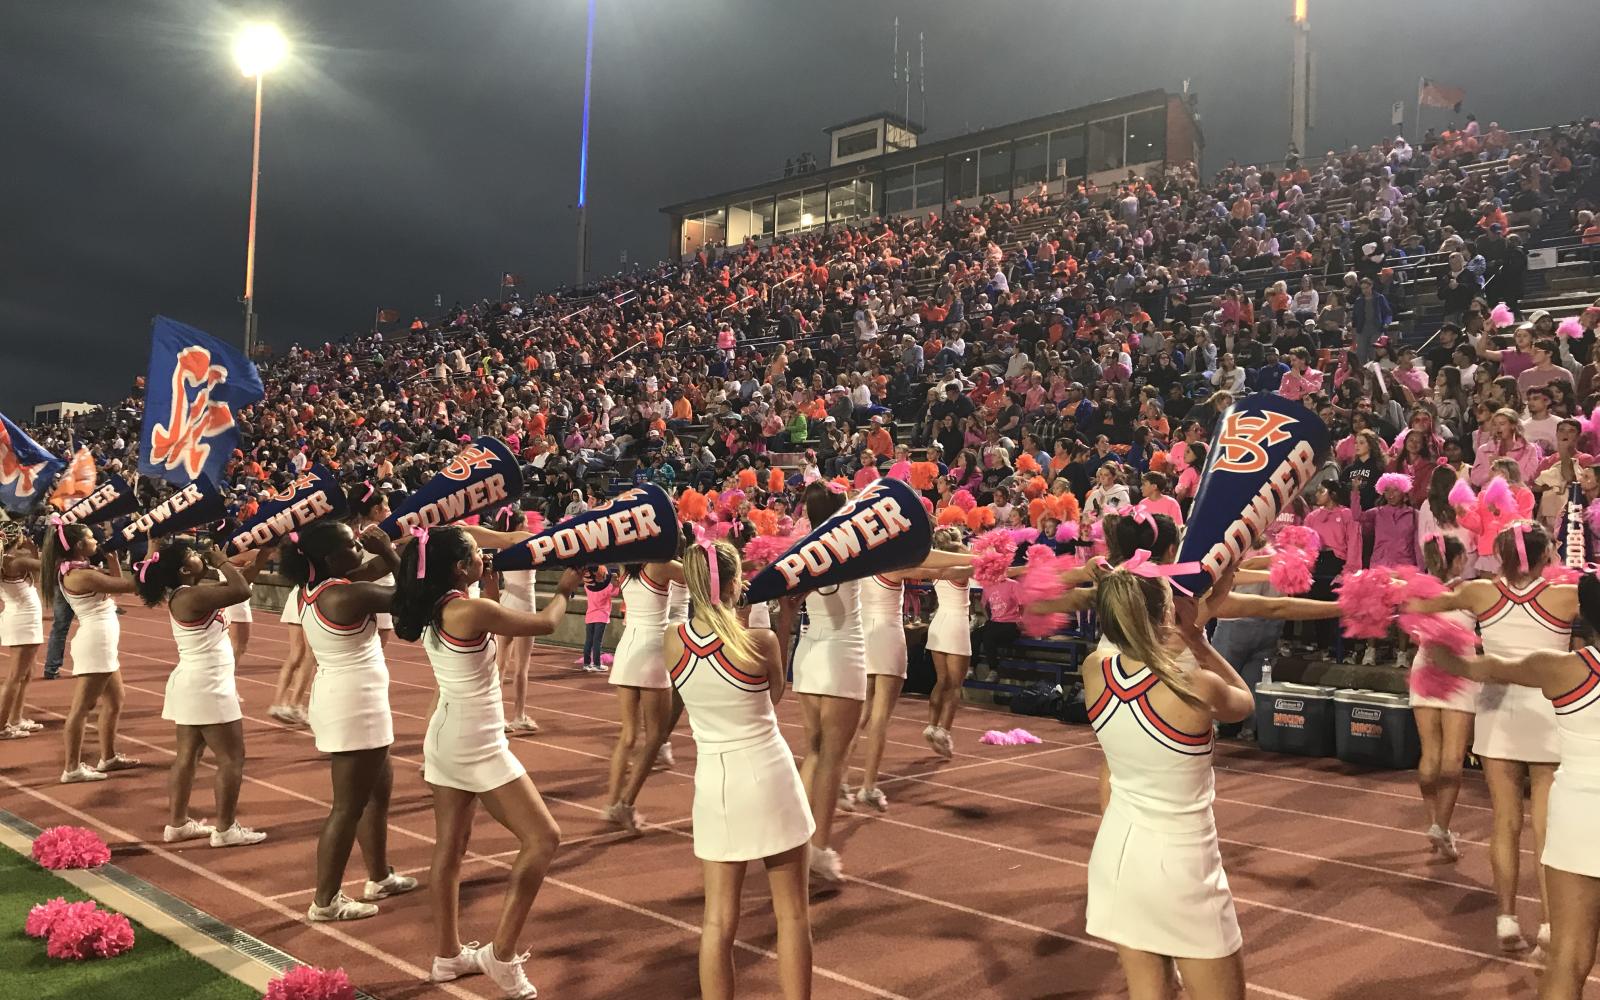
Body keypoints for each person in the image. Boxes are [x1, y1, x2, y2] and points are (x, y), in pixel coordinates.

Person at [391, 526, 580, 999]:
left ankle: (447, 955)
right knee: (544, 838)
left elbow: (479, 627)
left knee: (450, 847)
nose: (484, 556)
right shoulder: (469, 608)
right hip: (475, 740)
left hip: (450, 735)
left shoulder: (442, 604)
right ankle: (500, 954)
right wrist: (563, 590)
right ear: (460, 567)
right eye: (478, 553)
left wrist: (490, 587)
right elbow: (546, 625)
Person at [1084, 563, 1252, 1000]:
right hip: (1181, 865)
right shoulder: (1196, 685)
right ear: (1166, 616)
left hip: (1117, 854)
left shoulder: (1093, 670)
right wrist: (1197, 639)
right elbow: (1244, 703)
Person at [1405, 521, 1574, 953]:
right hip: (1549, 715)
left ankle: (1506, 918)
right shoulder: (1565, 596)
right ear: (1545, 557)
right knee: (1547, 826)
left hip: (1498, 715)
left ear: (1499, 556)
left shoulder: (1482, 594)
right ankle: (1551, 925)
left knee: (1505, 821)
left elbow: (1417, 605)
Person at [1428, 575, 1600, 997]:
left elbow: (1480, 668)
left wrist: (1436, 647)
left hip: (1581, 817)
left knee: (1569, 956)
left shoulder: (1562, 668)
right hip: (1576, 813)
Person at [663, 537, 813, 1000]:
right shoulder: (760, 640)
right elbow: (773, 696)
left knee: (717, 921)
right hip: (769, 773)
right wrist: (787, 617)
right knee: (791, 915)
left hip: (715, 784)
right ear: (733, 584)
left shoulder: (671, 641)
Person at [279, 519, 417, 922]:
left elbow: (371, 570)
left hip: (355, 699)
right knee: (347, 807)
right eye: (351, 546)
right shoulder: (342, 596)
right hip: (353, 704)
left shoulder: (323, 585)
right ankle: (325, 901)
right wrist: (392, 552)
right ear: (328, 558)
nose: (359, 549)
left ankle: (378, 876)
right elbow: (409, 598)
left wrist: (394, 546)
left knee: (377, 795)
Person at [134, 535, 270, 848]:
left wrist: (264, 555)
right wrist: (221, 559)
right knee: (231, 758)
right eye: (194, 554)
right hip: (207, 684)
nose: (201, 555)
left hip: (198, 683)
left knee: (189, 756)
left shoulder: (190, 594)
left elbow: (240, 584)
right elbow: (241, 590)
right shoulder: (188, 597)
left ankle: (178, 824)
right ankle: (225, 829)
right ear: (184, 570)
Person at [775, 481, 868, 884]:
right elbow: (913, 563)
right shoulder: (852, 546)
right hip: (842, 655)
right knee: (832, 758)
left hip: (809, 656)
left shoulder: (803, 550)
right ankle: (820, 850)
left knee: (813, 753)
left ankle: (799, 842)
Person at [851, 550, 976, 811]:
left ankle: (839, 781)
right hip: (886, 635)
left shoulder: (860, 560)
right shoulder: (892, 563)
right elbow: (935, 571)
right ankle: (868, 786)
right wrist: (976, 563)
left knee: (860, 714)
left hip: (863, 635)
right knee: (880, 717)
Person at [44, 519, 139, 783]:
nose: (96, 540)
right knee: (81, 708)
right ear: (79, 545)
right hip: (96, 642)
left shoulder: (81, 569)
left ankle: (107, 757)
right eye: (91, 537)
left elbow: (116, 585)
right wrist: (153, 555)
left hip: (102, 641)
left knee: (116, 699)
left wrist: (113, 559)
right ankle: (71, 768)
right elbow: (130, 586)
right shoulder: (80, 575)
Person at [1406, 534, 1478, 863]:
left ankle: (1434, 821)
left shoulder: (1420, 590)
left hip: (1425, 669)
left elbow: (1411, 634)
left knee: (1430, 753)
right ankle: (1442, 826)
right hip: (1460, 672)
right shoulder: (1469, 591)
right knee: (1452, 757)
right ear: (1460, 559)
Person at [603, 554, 686, 833]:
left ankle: (613, 803)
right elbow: (702, 578)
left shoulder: (627, 563)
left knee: (627, 735)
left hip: (627, 646)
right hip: (652, 649)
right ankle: (624, 804)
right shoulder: (662, 565)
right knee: (655, 736)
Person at [923, 527, 979, 758]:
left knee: (941, 680)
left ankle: (931, 725)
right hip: (956, 625)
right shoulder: (961, 568)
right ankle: (944, 732)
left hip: (938, 624)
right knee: (955, 684)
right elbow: (978, 563)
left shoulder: (937, 568)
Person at [0, 523, 43, 739]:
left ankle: (15, 718)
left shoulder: (8, 558)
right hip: (22, 619)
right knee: (15, 676)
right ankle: (1, 725)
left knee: (26, 674)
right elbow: (47, 565)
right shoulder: (16, 560)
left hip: (23, 617)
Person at [581, 565, 617, 672]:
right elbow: (615, 592)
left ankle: (586, 663)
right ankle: (597, 664)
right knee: (597, 641)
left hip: (589, 616)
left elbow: (590, 582)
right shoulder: (607, 588)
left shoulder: (587, 587)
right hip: (601, 616)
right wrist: (616, 583)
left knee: (589, 641)